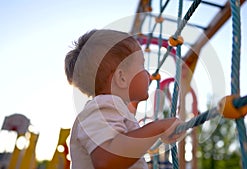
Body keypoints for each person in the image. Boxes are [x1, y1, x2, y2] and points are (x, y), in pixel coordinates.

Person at [64, 29, 184, 169]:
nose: (149, 74)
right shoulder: (100, 107)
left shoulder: (109, 109)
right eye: (142, 66)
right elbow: (106, 160)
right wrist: (158, 128)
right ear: (121, 77)